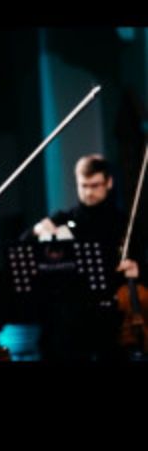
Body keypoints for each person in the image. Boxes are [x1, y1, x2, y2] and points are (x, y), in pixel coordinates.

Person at [20, 154, 144, 361]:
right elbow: (23, 243)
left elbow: (141, 259)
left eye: (95, 185)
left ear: (109, 182)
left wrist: (136, 267)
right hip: (71, 316)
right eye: (83, 186)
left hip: (113, 314)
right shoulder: (65, 218)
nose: (88, 192)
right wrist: (36, 230)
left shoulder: (125, 222)